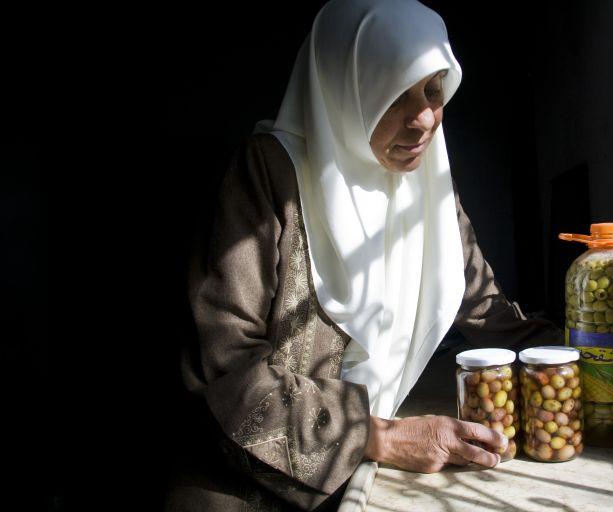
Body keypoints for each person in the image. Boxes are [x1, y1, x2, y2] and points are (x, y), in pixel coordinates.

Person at [164, 0, 561, 510]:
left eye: (434, 91)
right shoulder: (269, 176)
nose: (423, 120)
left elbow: (489, 312)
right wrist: (382, 437)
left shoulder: (429, 186)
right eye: (396, 93)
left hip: (363, 479)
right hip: (243, 485)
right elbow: (226, 368)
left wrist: (603, 361)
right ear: (342, 88)